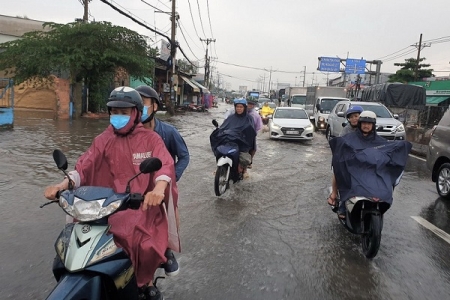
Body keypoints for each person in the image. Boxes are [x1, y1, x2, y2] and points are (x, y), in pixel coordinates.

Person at [44, 87, 179, 300]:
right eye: (115, 111)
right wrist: (63, 185)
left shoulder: (151, 140)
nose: (119, 116)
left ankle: (144, 282)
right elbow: (84, 166)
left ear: (135, 113)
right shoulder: (103, 139)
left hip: (138, 204)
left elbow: (164, 166)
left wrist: (158, 189)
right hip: (104, 204)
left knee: (142, 242)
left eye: (124, 112)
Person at [135, 85, 189, 278]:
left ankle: (168, 249)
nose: (138, 107)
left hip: (163, 184)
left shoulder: (168, 132)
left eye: (143, 103)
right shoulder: (130, 133)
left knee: (170, 212)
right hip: (138, 185)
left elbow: (184, 156)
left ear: (155, 106)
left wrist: (172, 178)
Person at [329, 111, 411, 219]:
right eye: (364, 123)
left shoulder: (381, 141)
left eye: (369, 123)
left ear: (373, 125)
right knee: (340, 171)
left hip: (371, 172)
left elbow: (388, 150)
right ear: (360, 124)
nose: (366, 125)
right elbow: (339, 149)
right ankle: (341, 202)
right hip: (354, 170)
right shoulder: (348, 138)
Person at [327, 105, 363, 206]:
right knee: (338, 171)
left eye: (356, 116)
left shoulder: (366, 127)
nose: (354, 119)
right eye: (351, 117)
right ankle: (334, 194)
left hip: (364, 158)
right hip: (349, 158)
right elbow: (340, 143)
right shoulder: (346, 130)